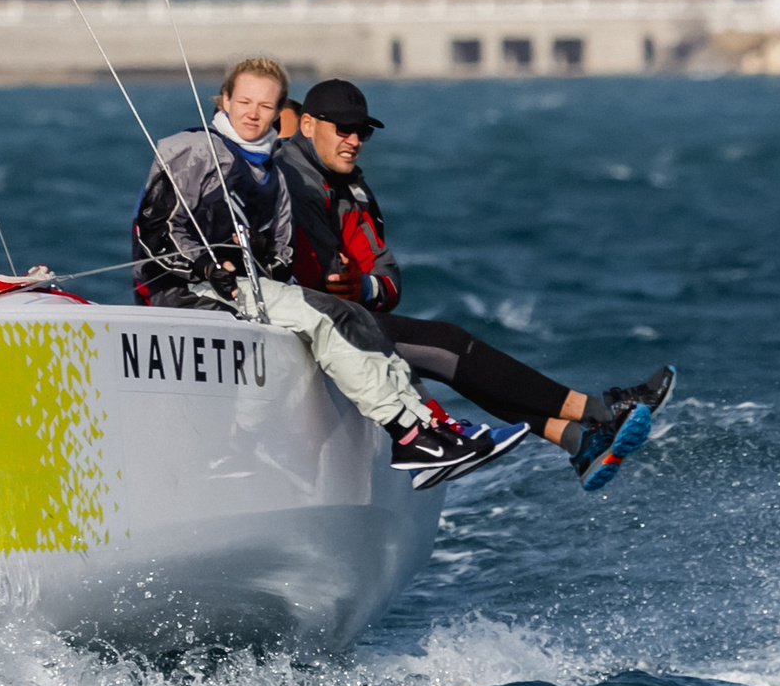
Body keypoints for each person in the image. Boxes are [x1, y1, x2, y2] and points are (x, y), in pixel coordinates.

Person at [129, 57, 524, 488]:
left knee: (347, 313)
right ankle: (408, 433)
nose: (252, 113)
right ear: (224, 100)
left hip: (242, 291)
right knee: (324, 316)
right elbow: (155, 233)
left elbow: (277, 262)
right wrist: (206, 264)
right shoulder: (193, 150)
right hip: (179, 289)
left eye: (265, 105)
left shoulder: (271, 172)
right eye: (243, 101)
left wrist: (258, 261)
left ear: (280, 113)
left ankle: (429, 430)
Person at [278, 76, 675, 491]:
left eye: (362, 132)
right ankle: (597, 411)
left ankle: (579, 439)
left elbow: (387, 279)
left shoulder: (350, 189)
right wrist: (350, 288)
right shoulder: (287, 179)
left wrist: (363, 288)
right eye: (344, 129)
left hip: (344, 320)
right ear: (307, 126)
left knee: (434, 355)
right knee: (443, 343)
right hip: (304, 324)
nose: (354, 140)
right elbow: (309, 272)